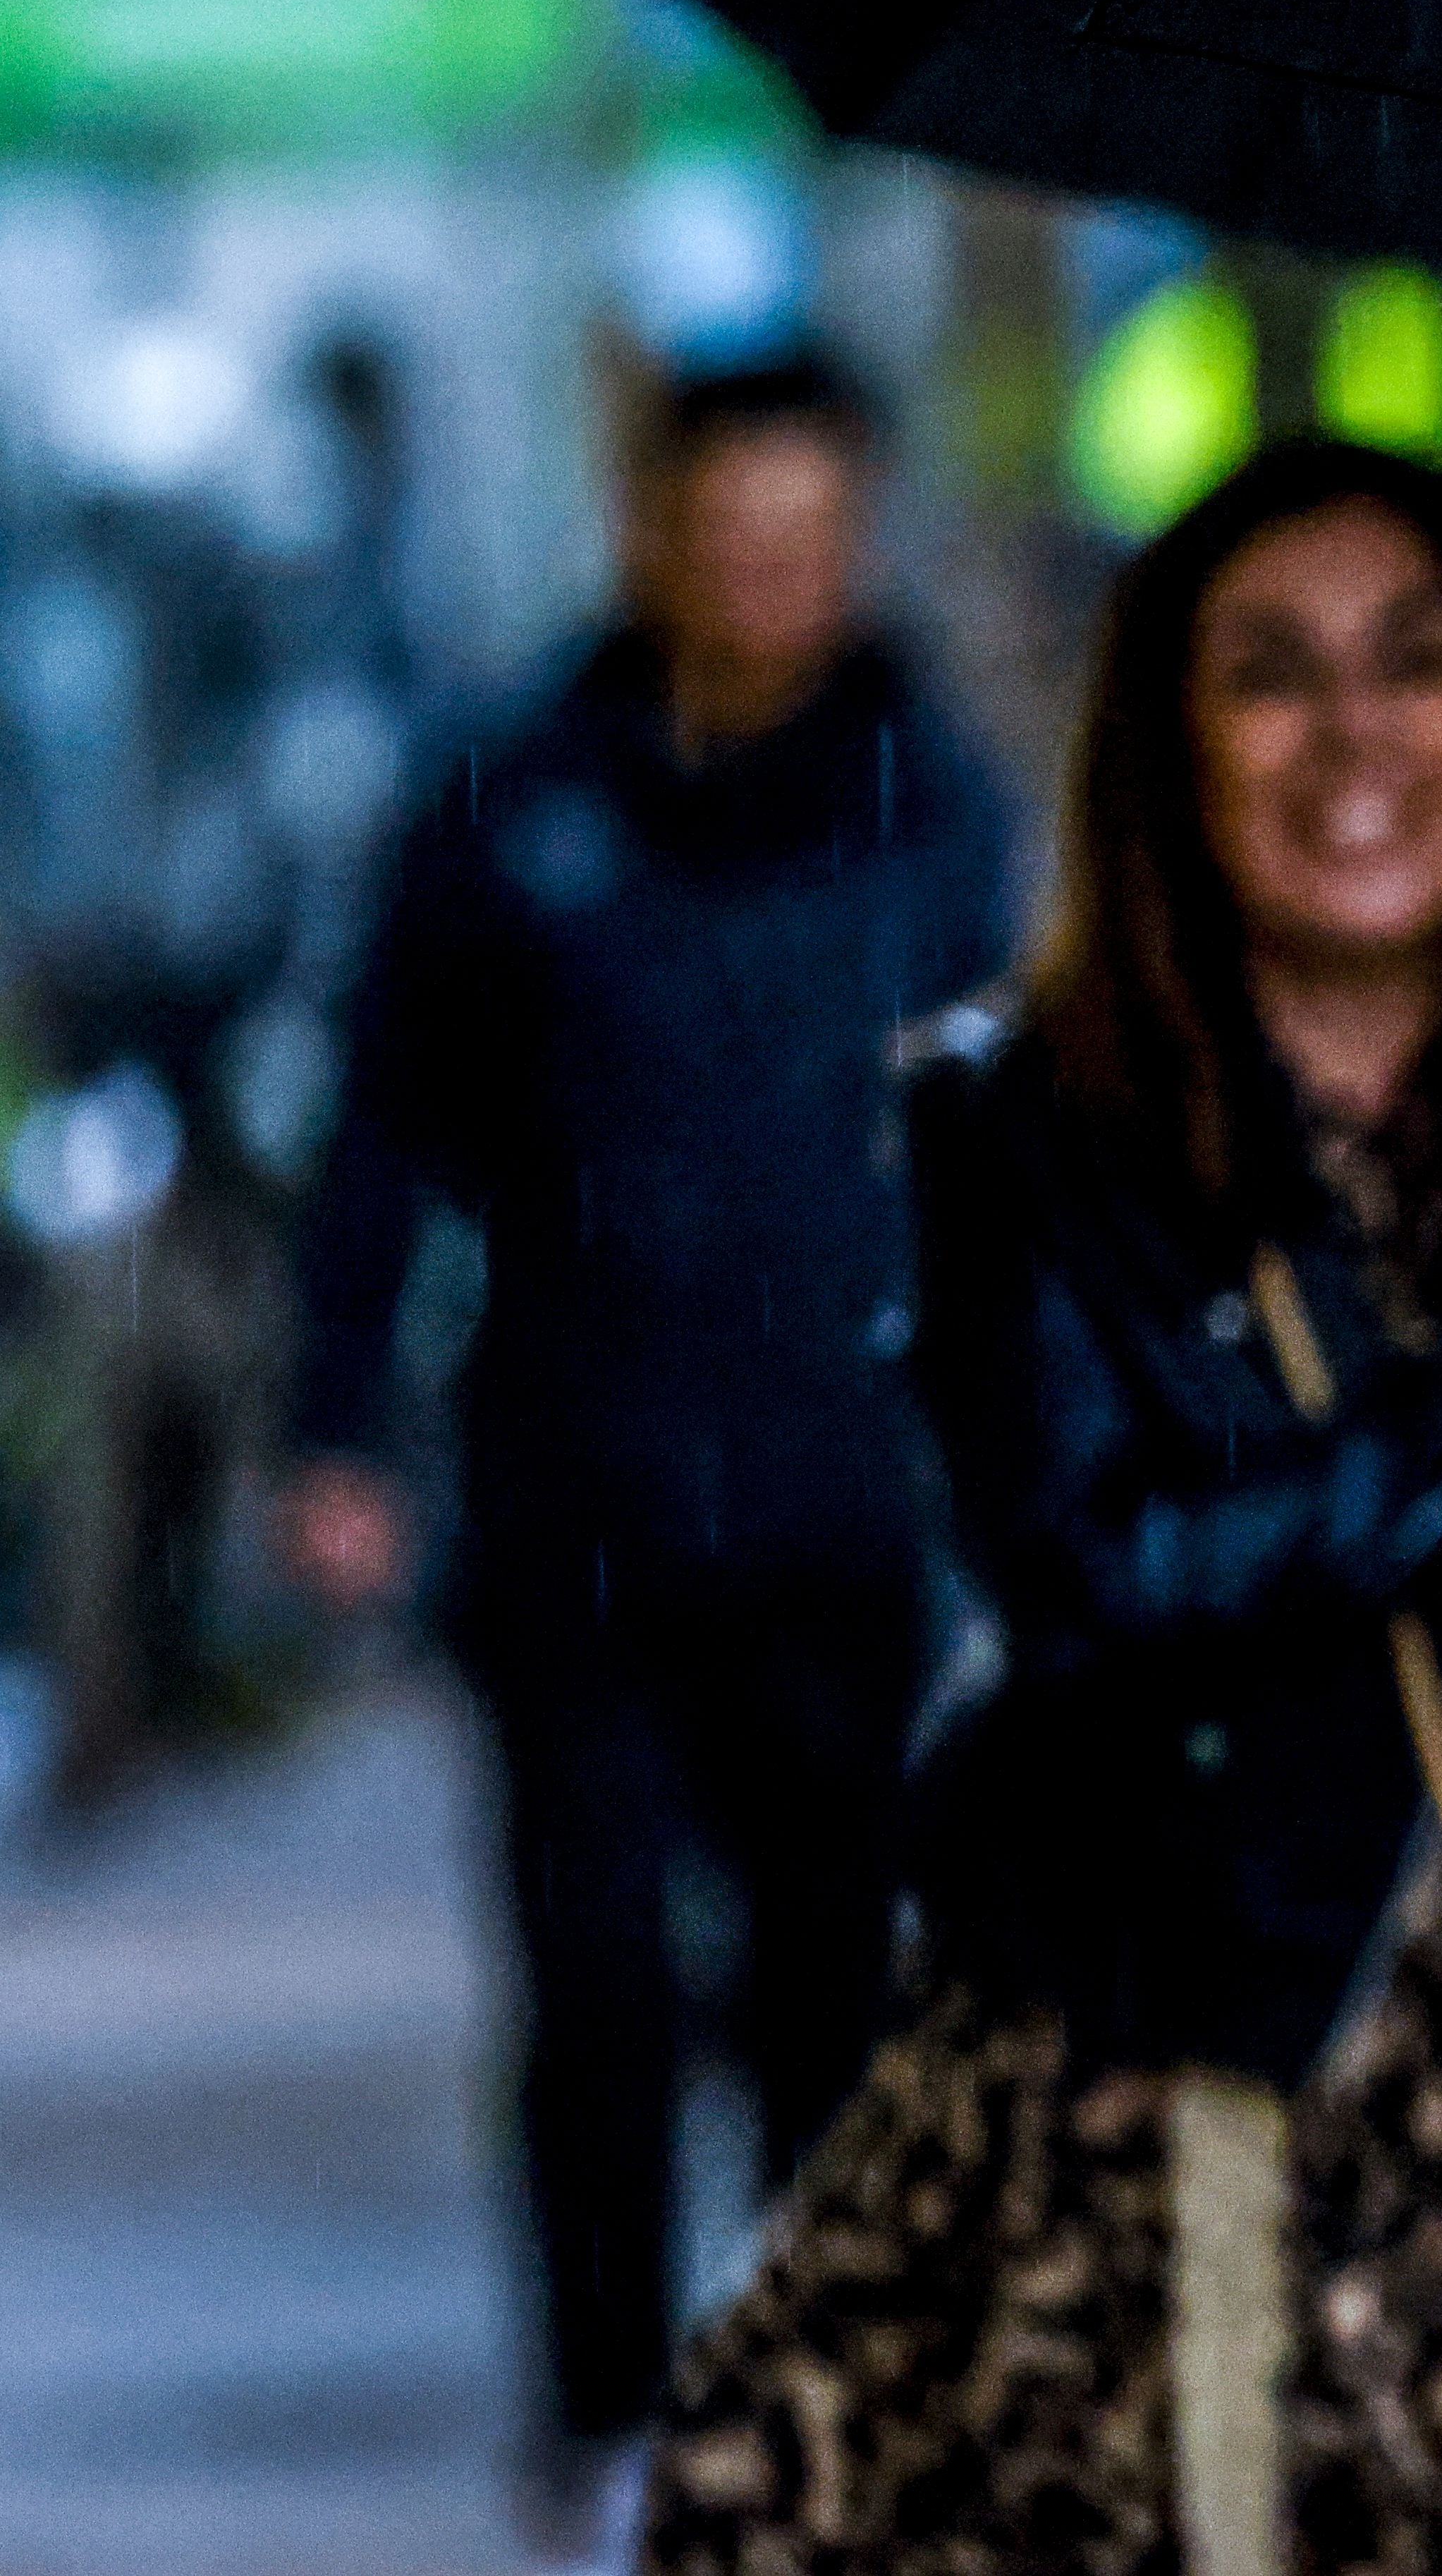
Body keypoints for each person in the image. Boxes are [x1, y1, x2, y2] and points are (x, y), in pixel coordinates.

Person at [645, 438, 1442, 2576]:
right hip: (1154, 2089)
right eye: (1273, 677)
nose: (1356, 741)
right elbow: (1100, 1567)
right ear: (1171, 746)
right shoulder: (1023, 1120)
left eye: (1418, 665)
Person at [275, 347, 1014, 2559]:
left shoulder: (935, 805)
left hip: (843, 1502)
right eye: (728, 530)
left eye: (807, 534)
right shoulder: (512, 798)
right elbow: (385, 1123)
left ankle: (800, 2398)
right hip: (578, 1502)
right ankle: (602, 2410)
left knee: (827, 1984)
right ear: (652, 531)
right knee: (591, 1978)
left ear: (853, 537)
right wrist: (338, 1425)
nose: (767, 574)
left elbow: (1010, 1149)